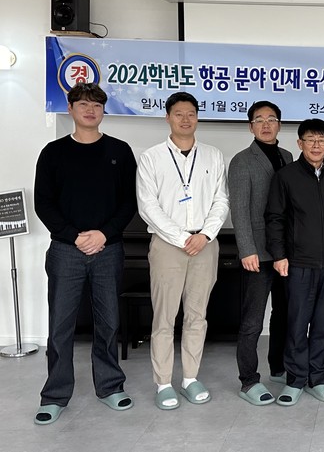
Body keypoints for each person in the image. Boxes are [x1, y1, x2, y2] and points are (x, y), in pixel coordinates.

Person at [33, 83, 137, 425]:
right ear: (70, 108)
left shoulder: (120, 151)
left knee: (108, 322)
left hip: (108, 249)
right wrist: (75, 237)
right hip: (66, 250)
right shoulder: (53, 152)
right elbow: (44, 203)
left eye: (96, 105)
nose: (90, 110)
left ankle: (110, 386)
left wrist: (103, 234)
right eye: (83, 104)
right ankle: (54, 395)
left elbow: (129, 202)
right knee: (60, 326)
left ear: (104, 110)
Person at [136, 92, 229, 411]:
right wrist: (181, 237)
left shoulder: (213, 155)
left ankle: (190, 378)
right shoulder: (151, 157)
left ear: (197, 117)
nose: (185, 119)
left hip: (205, 244)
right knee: (164, 317)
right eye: (178, 113)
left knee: (197, 316)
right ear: (167, 117)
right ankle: (163, 383)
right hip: (167, 245)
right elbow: (148, 206)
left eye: (191, 113)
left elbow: (221, 200)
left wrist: (205, 235)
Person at [266, 118, 324, 406]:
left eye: (321, 140)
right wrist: (279, 255)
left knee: (323, 324)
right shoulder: (285, 176)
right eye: (310, 139)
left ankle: (319, 378)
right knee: (297, 324)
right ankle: (296, 380)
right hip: (297, 263)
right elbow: (275, 218)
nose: (316, 145)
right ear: (300, 143)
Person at [228, 101, 293, 405]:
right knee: (253, 320)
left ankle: (278, 367)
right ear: (250, 126)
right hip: (257, 253)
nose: (266, 125)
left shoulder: (288, 156)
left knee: (283, 314)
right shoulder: (242, 160)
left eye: (271, 119)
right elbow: (239, 210)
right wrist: (246, 249)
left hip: (285, 252)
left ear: (279, 124)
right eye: (259, 120)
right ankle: (248, 380)